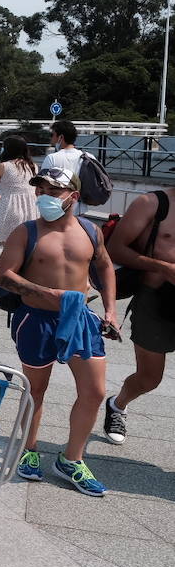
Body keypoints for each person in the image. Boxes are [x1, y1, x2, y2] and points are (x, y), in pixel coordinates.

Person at [0, 167, 118, 497]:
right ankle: (30, 449)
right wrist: (49, 295)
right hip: (35, 319)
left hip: (79, 318)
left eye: (52, 191)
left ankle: (71, 459)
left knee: (94, 391)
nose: (43, 196)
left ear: (72, 197)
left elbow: (105, 265)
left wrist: (110, 310)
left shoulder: (91, 231)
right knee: (35, 390)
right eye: (41, 190)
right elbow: (3, 277)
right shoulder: (26, 232)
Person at [101, 185, 175, 445]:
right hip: (155, 302)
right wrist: (162, 267)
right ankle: (118, 404)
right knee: (149, 378)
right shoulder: (153, 203)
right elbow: (115, 250)